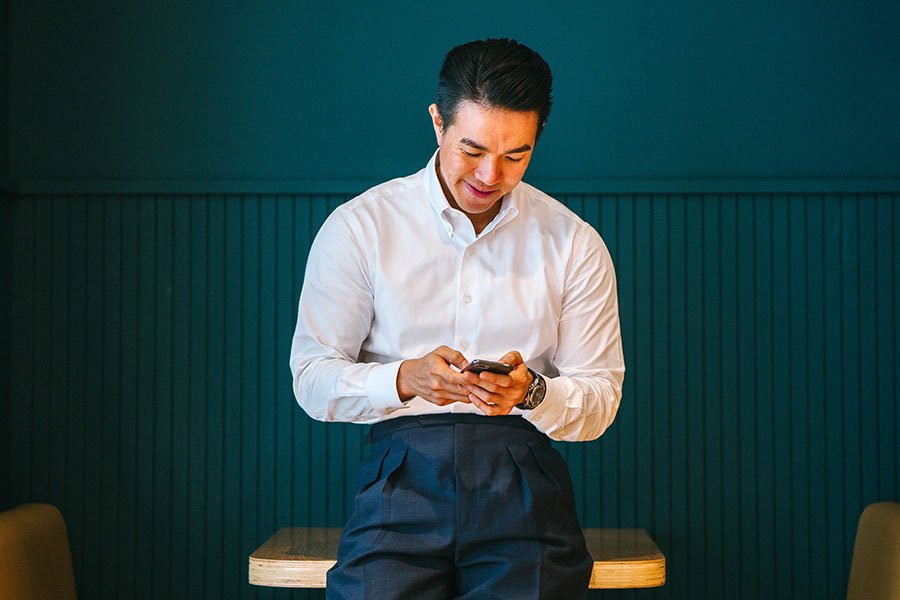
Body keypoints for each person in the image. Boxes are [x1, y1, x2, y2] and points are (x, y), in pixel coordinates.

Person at [290, 38, 624, 599]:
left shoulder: (574, 243)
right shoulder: (360, 228)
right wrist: (403, 378)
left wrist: (533, 394)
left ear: (537, 139)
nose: (490, 174)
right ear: (438, 123)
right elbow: (311, 378)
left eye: (516, 155)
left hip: (524, 485)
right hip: (398, 481)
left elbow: (601, 399)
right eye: (472, 149)